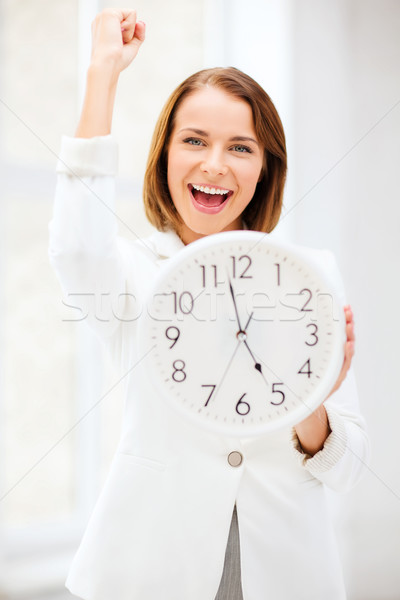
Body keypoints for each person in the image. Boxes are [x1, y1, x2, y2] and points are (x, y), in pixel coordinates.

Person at [48, 8, 370, 600]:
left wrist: (310, 407)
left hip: (287, 570)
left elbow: (347, 468)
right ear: (165, 156)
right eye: (193, 140)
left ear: (265, 168)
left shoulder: (312, 275)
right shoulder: (131, 274)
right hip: (150, 564)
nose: (214, 165)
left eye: (241, 147)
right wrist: (102, 75)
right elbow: (74, 246)